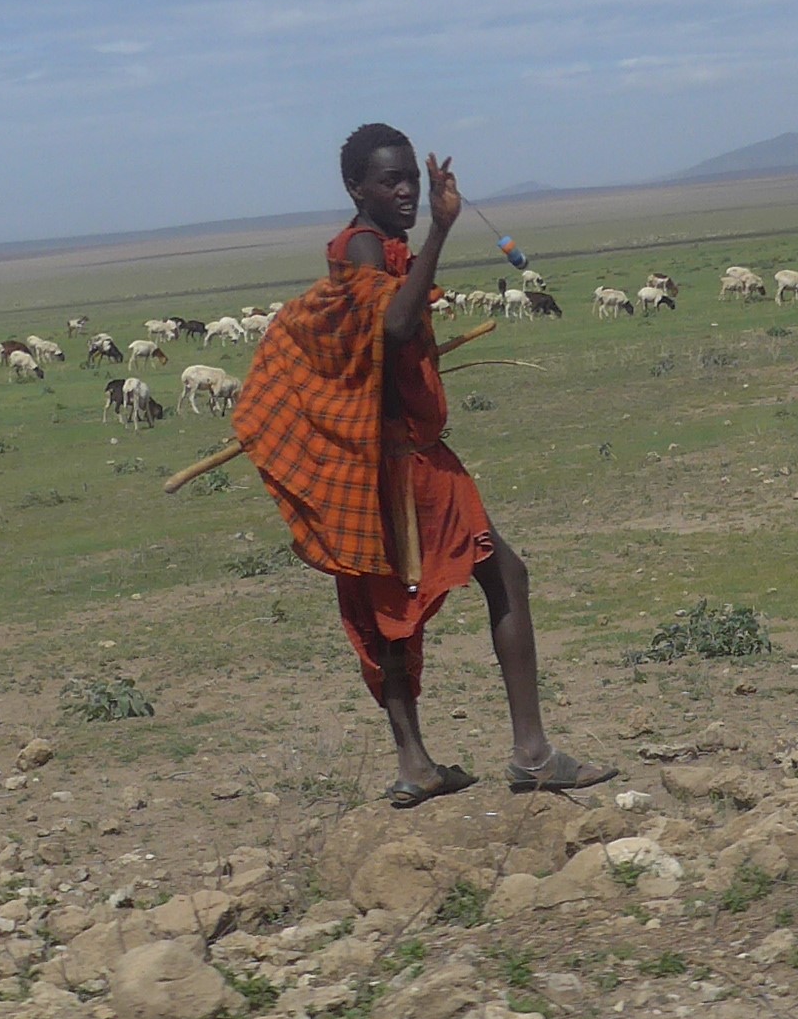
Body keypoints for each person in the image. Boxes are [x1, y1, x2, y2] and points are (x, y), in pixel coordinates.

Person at [230, 123, 614, 804]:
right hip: (407, 465)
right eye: (390, 180)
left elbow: (383, 340)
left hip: (374, 465)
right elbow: (394, 325)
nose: (405, 189)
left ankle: (416, 765)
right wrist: (442, 229)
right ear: (356, 188)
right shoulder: (367, 246)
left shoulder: (366, 245)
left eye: (410, 176)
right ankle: (530, 752)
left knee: (391, 608)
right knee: (504, 577)